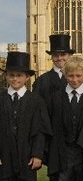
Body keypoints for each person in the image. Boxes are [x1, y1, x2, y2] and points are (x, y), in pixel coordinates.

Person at [0, 51, 52, 181]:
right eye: (11, 75)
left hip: (27, 157)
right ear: (6, 76)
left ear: (27, 77)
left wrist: (38, 154)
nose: (15, 79)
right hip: (4, 156)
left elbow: (41, 131)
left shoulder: (36, 101)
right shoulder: (1, 99)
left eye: (19, 75)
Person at [47, 56, 83, 181]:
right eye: (71, 76)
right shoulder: (55, 98)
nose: (75, 79)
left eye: (78, 75)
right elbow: (49, 126)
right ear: (65, 75)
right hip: (62, 154)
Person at [32, 34, 75, 105]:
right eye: (55, 55)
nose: (59, 58)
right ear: (51, 57)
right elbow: (37, 108)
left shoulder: (81, 79)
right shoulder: (41, 81)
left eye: (63, 54)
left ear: (69, 55)